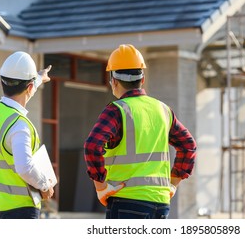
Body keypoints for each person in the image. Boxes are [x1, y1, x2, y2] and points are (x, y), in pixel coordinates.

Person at [84, 44, 197, 219]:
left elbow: (92, 146)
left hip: (126, 201)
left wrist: (101, 188)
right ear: (142, 79)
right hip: (160, 204)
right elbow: (188, 146)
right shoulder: (163, 110)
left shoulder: (117, 110)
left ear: (113, 80)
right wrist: (173, 184)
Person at [0, 51, 54, 219]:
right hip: (21, 208)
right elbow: (24, 166)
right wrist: (44, 185)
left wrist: (39, 78)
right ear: (29, 87)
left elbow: (21, 94)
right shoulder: (20, 126)